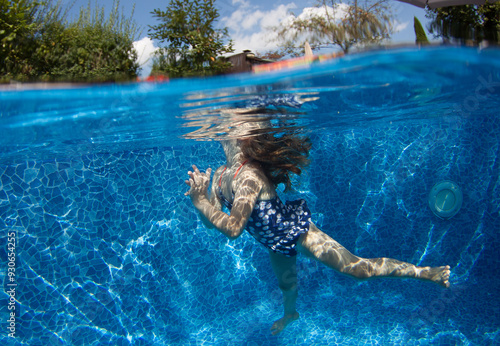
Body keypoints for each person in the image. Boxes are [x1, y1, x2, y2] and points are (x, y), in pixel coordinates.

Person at [184, 120, 451, 335]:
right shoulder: (220, 176)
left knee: (357, 269)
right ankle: (290, 315)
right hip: (274, 244)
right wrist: (204, 201)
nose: (219, 131)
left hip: (296, 233)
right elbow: (212, 225)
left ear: (242, 136)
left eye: (227, 126)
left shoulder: (249, 176)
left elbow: (233, 229)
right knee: (287, 287)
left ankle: (426, 273)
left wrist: (200, 202)